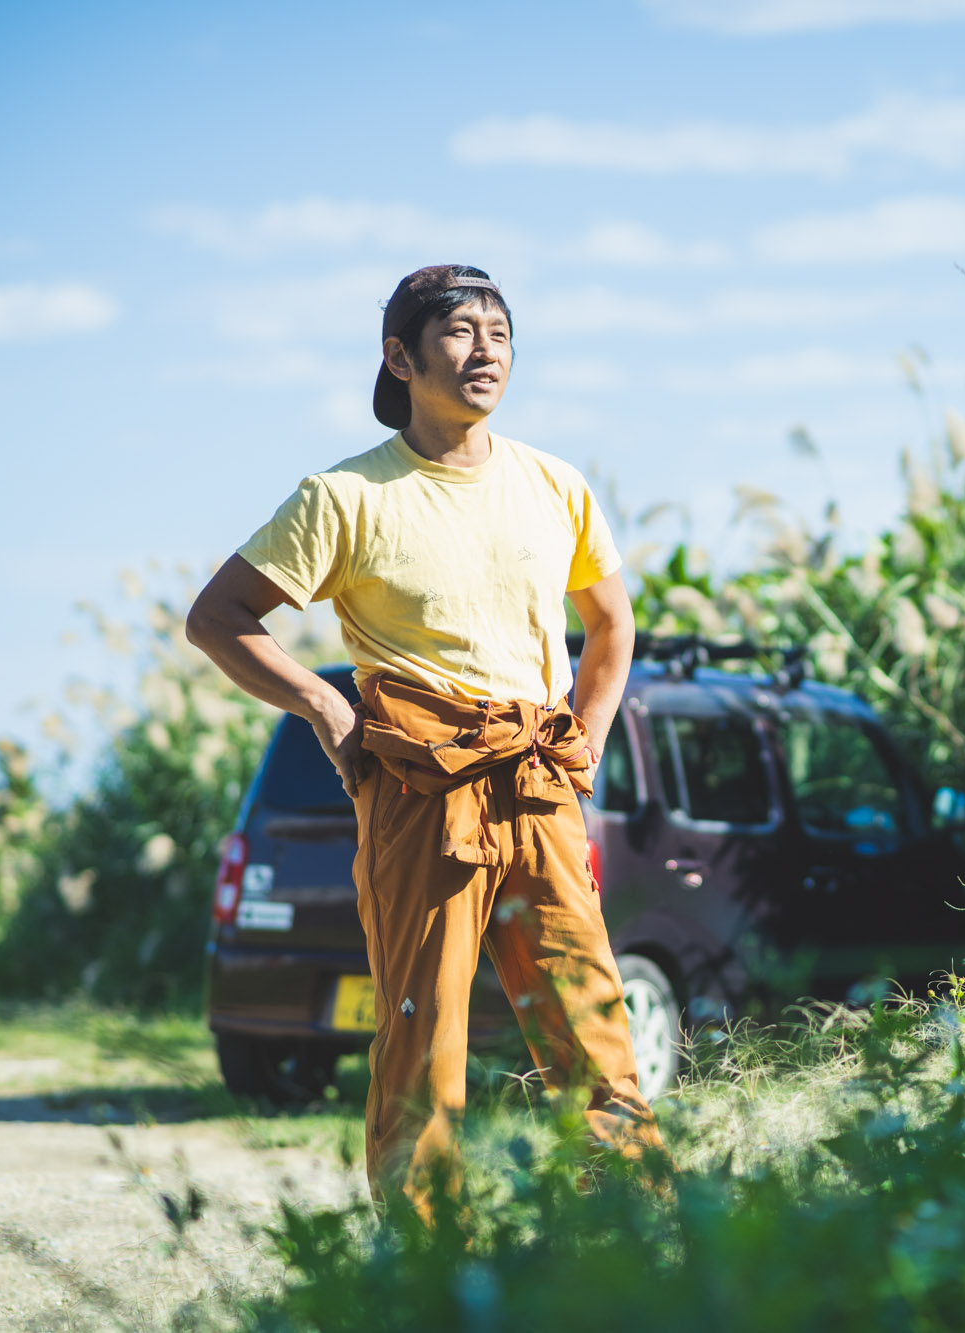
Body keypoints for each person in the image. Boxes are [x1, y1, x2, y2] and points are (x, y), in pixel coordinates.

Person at [186, 264, 663, 1207]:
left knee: (595, 1033)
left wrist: (587, 744)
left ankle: (642, 1254)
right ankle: (428, 1282)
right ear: (400, 357)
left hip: (538, 784)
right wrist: (328, 710)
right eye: (459, 332)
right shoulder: (345, 497)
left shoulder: (553, 483)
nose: (485, 350)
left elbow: (612, 626)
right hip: (421, 792)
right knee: (423, 1042)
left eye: (499, 332)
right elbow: (220, 616)